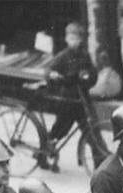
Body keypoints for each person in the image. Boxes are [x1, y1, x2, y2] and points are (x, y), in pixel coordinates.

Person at [41, 21, 99, 164]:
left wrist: (88, 78)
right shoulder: (63, 56)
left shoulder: (85, 56)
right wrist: (52, 75)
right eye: (71, 38)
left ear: (81, 40)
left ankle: (100, 158)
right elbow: (48, 71)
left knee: (92, 129)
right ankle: (42, 153)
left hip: (82, 98)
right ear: (66, 39)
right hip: (67, 99)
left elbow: (93, 75)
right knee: (60, 129)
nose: (74, 42)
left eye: (77, 39)